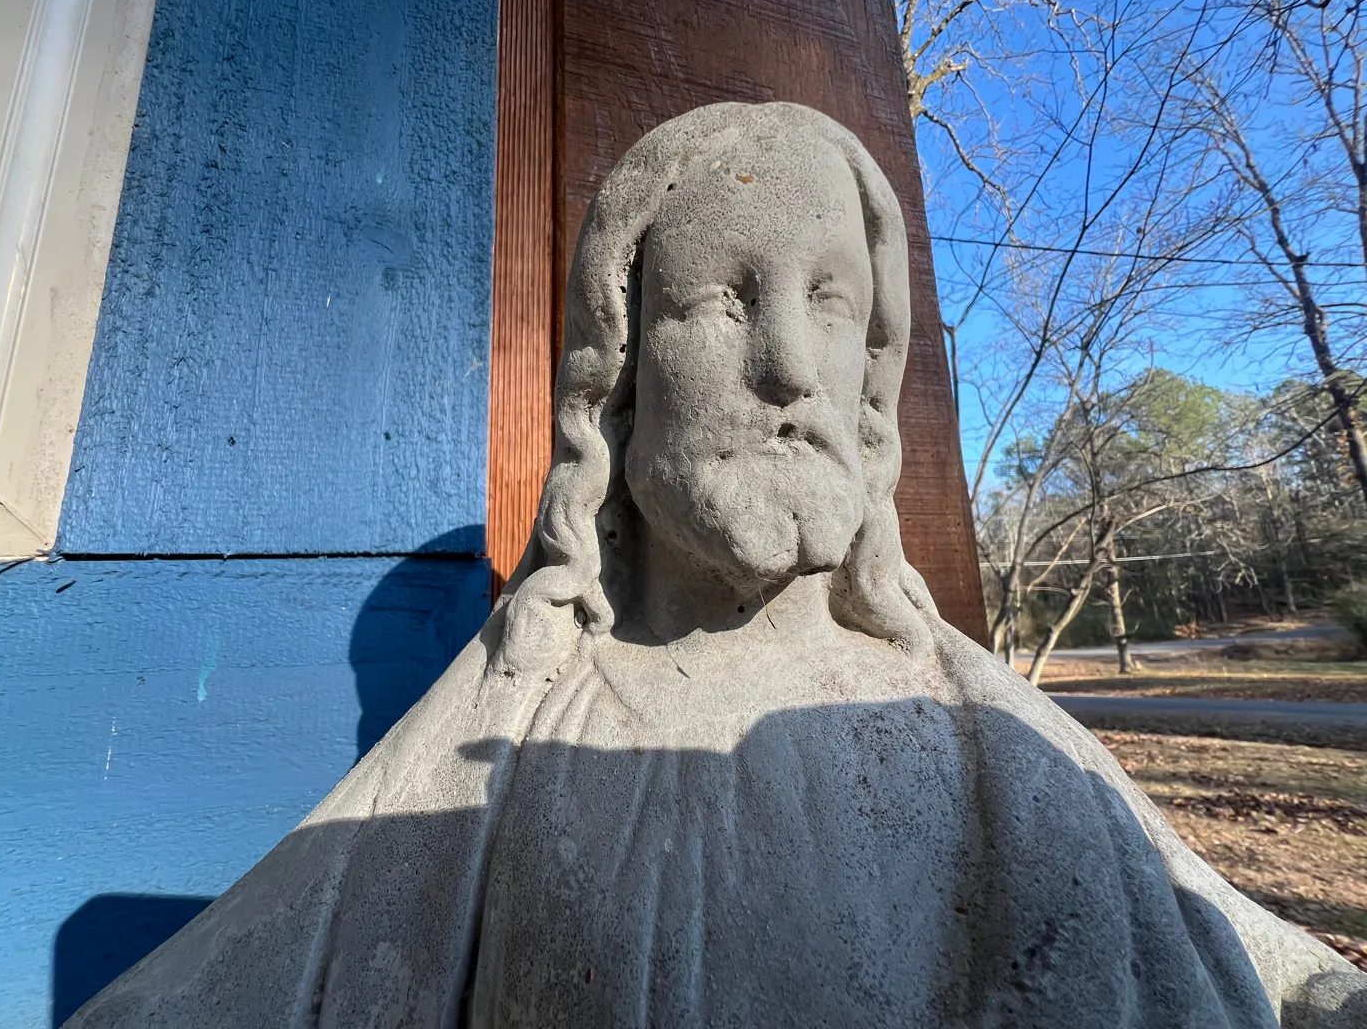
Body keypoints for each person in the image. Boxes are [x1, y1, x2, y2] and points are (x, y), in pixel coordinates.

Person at [69, 102, 1365, 1028]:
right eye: (722, 301)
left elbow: (1273, 974)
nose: (790, 366)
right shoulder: (513, 717)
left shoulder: (1003, 751)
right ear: (619, 379)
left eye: (831, 303)